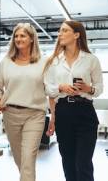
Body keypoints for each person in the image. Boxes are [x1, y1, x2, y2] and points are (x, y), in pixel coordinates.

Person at [44, 20, 103, 181]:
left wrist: (87, 88)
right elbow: (47, 89)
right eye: (60, 31)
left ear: (76, 35)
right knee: (68, 162)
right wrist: (60, 87)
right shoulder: (53, 61)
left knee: (83, 163)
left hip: (85, 112)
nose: (59, 34)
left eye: (64, 31)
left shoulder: (91, 59)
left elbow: (99, 88)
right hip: (63, 111)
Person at [0, 23, 47, 181]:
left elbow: (51, 89)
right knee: (19, 159)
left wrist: (54, 116)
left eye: (22, 35)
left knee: (28, 160)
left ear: (31, 39)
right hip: (10, 115)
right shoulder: (7, 62)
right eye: (16, 36)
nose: (18, 39)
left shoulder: (43, 62)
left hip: (35, 115)